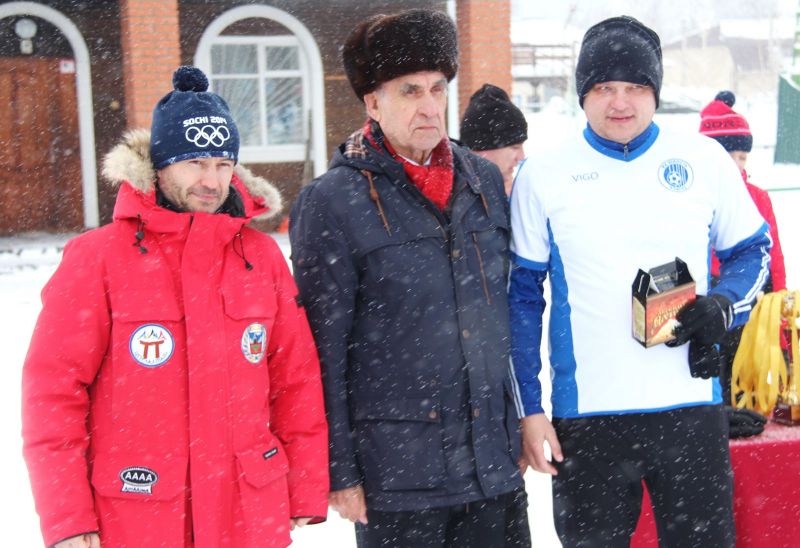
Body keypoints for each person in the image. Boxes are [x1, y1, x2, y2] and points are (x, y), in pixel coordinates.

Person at [21, 66, 329, 548]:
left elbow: (296, 380)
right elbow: (54, 393)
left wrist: (304, 486)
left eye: (223, 164)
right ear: (159, 166)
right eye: (194, 162)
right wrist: (68, 519)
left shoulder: (261, 256)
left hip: (246, 513)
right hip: (138, 514)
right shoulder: (98, 258)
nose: (211, 180)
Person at [509, 16, 771, 547]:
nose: (620, 102)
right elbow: (521, 300)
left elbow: (752, 251)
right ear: (583, 94)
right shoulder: (545, 174)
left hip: (690, 409)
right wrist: (530, 410)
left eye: (635, 87)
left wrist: (723, 304)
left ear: (655, 92)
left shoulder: (703, 160)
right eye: (604, 87)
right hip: (589, 419)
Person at [290, 9, 529, 548]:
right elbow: (322, 349)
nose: (429, 106)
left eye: (437, 89)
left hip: (491, 464)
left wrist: (514, 421)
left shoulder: (482, 180)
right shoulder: (332, 202)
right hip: (399, 476)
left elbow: (501, 315)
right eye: (409, 91)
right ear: (373, 103)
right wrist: (339, 468)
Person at [699, 90, 787, 405]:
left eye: (742, 157)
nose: (736, 165)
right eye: (729, 157)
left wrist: (779, 300)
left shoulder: (757, 197)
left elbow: (773, 254)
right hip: (707, 298)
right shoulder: (694, 197)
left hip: (748, 295)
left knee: (742, 363)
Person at [460, 84, 528, 195]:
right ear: (482, 149)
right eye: (515, 147)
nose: (521, 157)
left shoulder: (510, 193)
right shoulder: (455, 196)